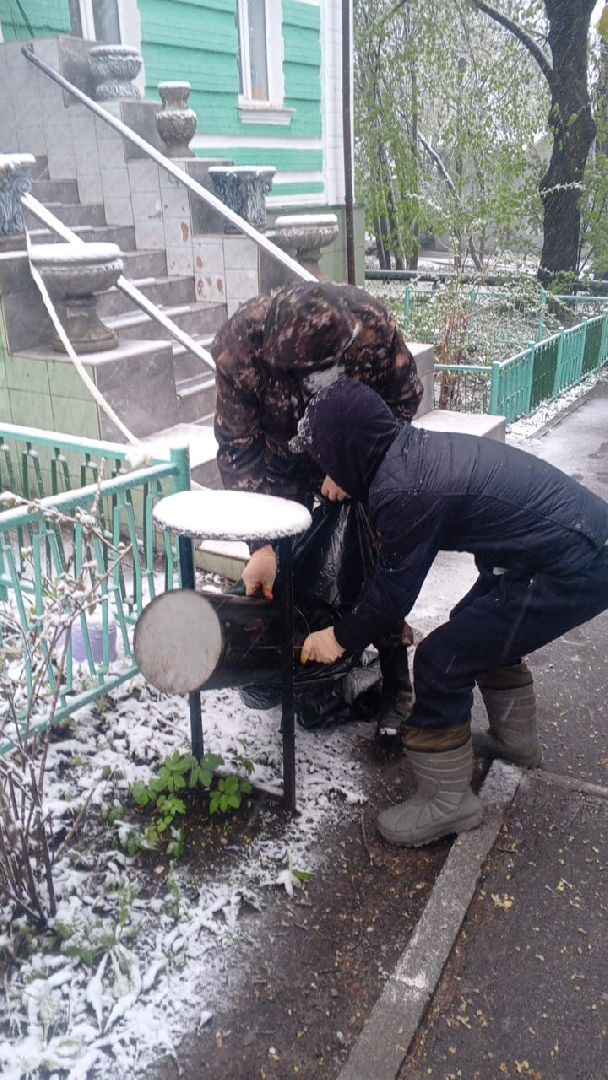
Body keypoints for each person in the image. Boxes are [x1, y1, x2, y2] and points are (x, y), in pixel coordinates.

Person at [294, 378, 608, 847]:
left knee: (443, 659)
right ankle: (515, 742)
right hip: (564, 545)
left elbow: (391, 597)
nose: (325, 466)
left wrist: (337, 637)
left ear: (348, 448)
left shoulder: (405, 491)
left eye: (327, 456)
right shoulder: (407, 454)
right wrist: (344, 477)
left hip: (576, 563)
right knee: (476, 623)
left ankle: (448, 803)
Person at [211, 281, 424, 742]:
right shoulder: (239, 348)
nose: (314, 380)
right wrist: (261, 543)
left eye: (327, 368)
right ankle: (286, 662)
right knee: (281, 568)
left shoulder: (373, 326)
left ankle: (396, 680)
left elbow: (405, 400)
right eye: (301, 372)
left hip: (356, 457)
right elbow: (237, 449)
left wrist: (354, 466)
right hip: (282, 466)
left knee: (378, 553)